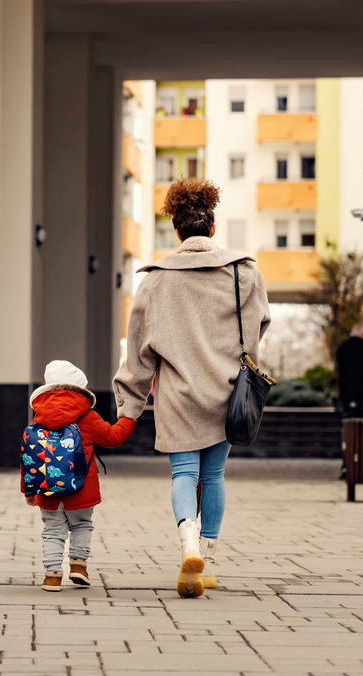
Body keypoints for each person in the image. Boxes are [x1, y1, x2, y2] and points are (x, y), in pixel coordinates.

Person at [113, 178, 270, 598]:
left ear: (177, 231)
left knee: (185, 473)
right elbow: (258, 328)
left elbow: (139, 350)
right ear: (213, 228)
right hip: (227, 391)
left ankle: (188, 543)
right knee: (214, 475)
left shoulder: (156, 281)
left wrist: (129, 406)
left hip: (178, 395)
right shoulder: (244, 271)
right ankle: (210, 561)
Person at [23, 360, 135, 592]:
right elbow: (113, 438)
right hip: (82, 488)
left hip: (47, 487)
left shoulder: (38, 419)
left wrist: (29, 491)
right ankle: (78, 566)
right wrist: (129, 418)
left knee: (53, 531)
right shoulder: (88, 417)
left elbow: (29, 455)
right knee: (82, 525)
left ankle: (52, 576)